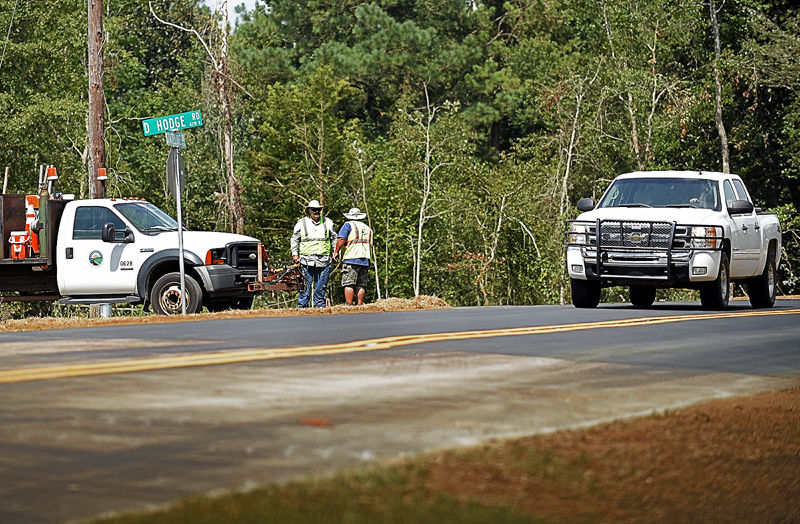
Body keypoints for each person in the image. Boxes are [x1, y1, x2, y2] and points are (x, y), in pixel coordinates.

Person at [290, 200, 336, 308]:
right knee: (305, 284)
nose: (317, 212)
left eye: (319, 210)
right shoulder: (301, 223)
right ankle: (302, 306)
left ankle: (319, 304)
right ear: (309, 210)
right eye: (314, 210)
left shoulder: (328, 222)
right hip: (306, 259)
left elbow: (334, 238)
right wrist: (295, 254)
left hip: (324, 259)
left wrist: (335, 252)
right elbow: (295, 239)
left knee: (321, 284)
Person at [333, 207, 373, 306]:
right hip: (365, 258)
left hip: (351, 258)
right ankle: (360, 305)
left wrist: (336, 251)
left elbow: (341, 239)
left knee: (348, 283)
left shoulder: (348, 225)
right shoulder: (368, 228)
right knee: (361, 284)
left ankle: (349, 305)